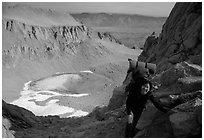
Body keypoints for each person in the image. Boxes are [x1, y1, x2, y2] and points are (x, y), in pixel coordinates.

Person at [125, 61, 168, 138]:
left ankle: (131, 134)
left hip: (139, 108)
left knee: (135, 122)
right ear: (140, 86)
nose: (145, 89)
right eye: (144, 87)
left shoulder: (148, 94)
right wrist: (129, 113)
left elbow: (155, 103)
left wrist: (165, 110)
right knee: (130, 122)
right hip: (132, 107)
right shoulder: (134, 90)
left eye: (147, 88)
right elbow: (128, 102)